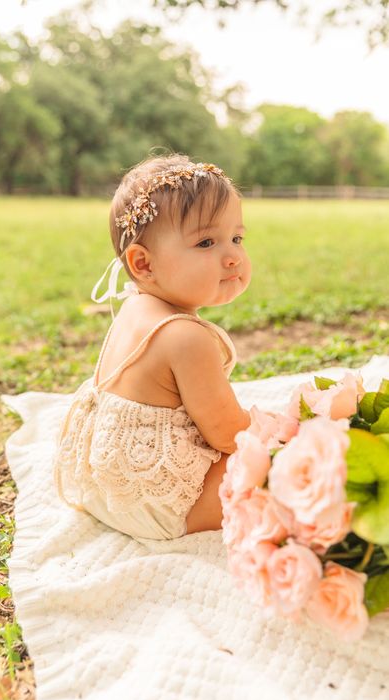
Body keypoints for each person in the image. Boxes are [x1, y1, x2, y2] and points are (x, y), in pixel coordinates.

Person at [53, 153, 252, 540]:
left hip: (107, 493)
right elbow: (229, 434)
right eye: (207, 242)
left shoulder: (135, 307)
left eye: (237, 238)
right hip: (163, 506)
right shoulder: (186, 337)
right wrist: (279, 434)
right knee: (270, 465)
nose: (232, 257)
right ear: (143, 264)